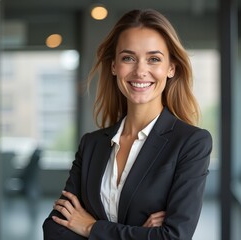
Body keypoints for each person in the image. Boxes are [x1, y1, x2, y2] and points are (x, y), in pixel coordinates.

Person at [43, 8, 212, 240]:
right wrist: (140, 234)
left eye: (154, 59)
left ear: (171, 68)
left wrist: (91, 227)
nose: (141, 70)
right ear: (114, 66)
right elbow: (55, 229)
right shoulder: (91, 145)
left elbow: (174, 237)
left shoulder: (191, 143)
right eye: (128, 58)